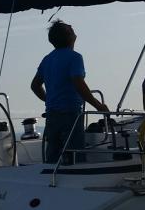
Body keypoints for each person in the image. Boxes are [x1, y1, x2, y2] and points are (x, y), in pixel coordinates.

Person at [31, 20, 109, 164]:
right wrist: (99, 106)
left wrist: (49, 99)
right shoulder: (75, 57)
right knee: (76, 157)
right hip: (71, 114)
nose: (72, 27)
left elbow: (35, 86)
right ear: (69, 36)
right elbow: (79, 84)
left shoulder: (47, 59)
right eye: (70, 28)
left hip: (52, 115)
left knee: (53, 158)